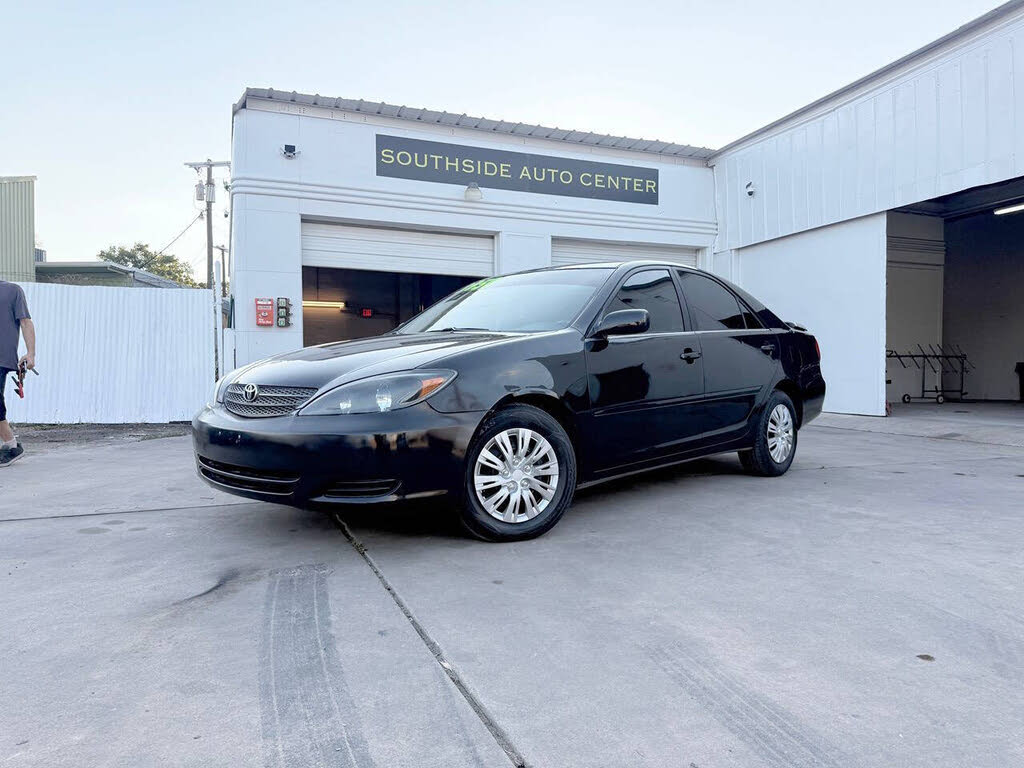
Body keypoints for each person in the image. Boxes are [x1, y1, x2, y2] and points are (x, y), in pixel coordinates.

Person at [0, 280, 35, 467]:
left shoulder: (12, 291)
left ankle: (12, 445)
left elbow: (25, 322)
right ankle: (9, 445)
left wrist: (30, 353)